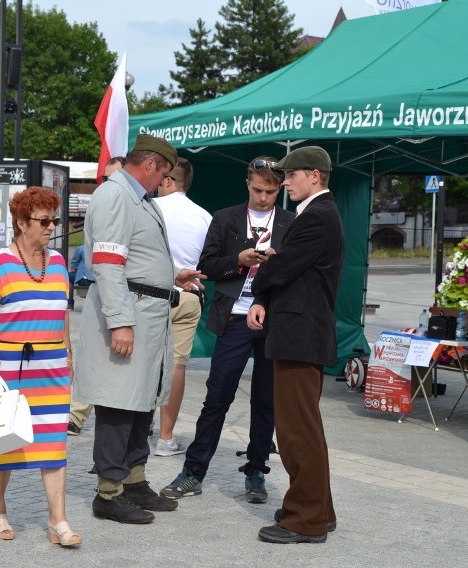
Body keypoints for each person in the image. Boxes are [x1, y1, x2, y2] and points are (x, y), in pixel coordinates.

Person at [74, 134, 204, 525]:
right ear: (150, 165)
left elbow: (135, 256)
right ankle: (109, 492)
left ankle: (134, 480)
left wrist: (171, 275)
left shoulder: (138, 199)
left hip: (148, 308)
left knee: (141, 399)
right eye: (163, 173)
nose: (163, 181)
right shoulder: (116, 196)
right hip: (130, 311)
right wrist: (121, 323)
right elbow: (109, 264)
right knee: (118, 403)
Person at [161, 156, 294, 504]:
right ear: (247, 183)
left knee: (267, 402)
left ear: (279, 188)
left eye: (270, 191)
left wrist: (276, 264)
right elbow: (205, 266)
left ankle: (256, 472)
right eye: (257, 189)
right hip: (234, 317)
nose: (264, 197)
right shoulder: (225, 218)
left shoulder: (290, 223)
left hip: (272, 320)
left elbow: (295, 275)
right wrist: (239, 261)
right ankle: (193, 472)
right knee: (217, 397)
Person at [0, 186, 81, 547]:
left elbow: (61, 312)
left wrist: (68, 353)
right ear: (22, 223)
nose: (51, 226)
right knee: (3, 442)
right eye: (44, 220)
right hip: (9, 366)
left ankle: (58, 521)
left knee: (54, 444)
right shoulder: (1, 263)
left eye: (55, 219)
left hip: (52, 368)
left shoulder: (59, 263)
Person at [247, 146, 343, 544]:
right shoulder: (318, 215)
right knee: (305, 428)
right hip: (301, 334)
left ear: (314, 176)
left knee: (295, 432)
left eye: (291, 176)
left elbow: (283, 269)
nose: (284, 182)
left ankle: (305, 520)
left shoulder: (317, 217)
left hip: (301, 336)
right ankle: (319, 509)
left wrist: (264, 269)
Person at [153, 158, 212, 456]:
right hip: (189, 296)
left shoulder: (151, 208)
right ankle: (165, 438)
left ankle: (138, 432)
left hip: (151, 294)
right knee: (177, 366)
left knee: (144, 363)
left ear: (167, 180)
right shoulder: (204, 216)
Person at [67, 155, 124, 435]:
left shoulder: (138, 209)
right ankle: (76, 415)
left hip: (130, 298)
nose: (105, 185)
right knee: (91, 359)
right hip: (100, 292)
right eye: (103, 179)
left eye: (112, 179)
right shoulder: (103, 205)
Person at [67, 244, 94, 311]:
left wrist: (75, 268)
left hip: (84, 279)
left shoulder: (81, 248)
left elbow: (74, 265)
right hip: (97, 280)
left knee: (67, 276)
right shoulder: (99, 249)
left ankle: (70, 303)